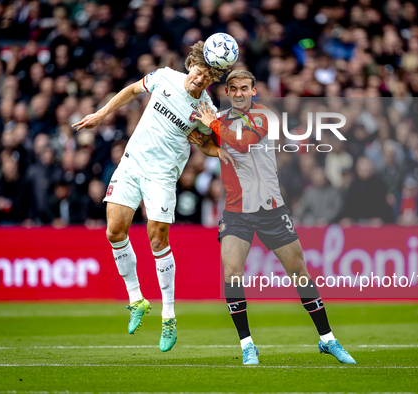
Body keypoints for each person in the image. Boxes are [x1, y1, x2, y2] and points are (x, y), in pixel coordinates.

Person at [72, 41, 234, 352]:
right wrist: (101, 113)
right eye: (199, 73)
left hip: (162, 175)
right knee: (114, 231)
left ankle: (169, 316)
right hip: (132, 163)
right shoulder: (164, 77)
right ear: (191, 66)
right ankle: (136, 299)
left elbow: (205, 144)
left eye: (207, 78)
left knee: (157, 240)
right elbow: (132, 90)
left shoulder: (206, 110)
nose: (200, 80)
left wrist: (226, 153)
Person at [188, 70, 356, 366]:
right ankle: (247, 346)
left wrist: (212, 126)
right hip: (236, 211)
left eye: (244, 88)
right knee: (231, 272)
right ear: (227, 92)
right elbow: (201, 141)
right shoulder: (220, 120)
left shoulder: (264, 116)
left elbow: (243, 142)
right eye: (234, 89)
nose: (239, 93)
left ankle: (327, 339)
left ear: (253, 91)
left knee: (299, 272)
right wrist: (212, 148)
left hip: (271, 209)